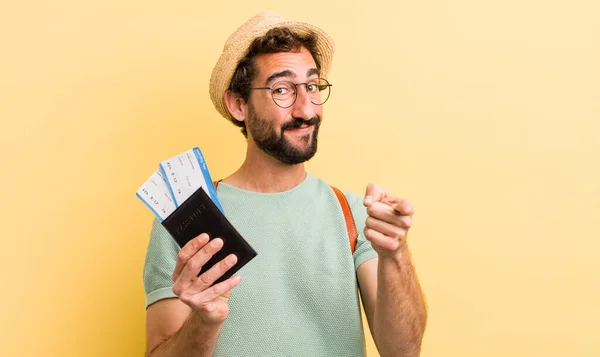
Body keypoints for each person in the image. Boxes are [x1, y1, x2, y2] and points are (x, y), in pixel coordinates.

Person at [142, 11, 427, 357]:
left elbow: (404, 351)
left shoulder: (351, 214)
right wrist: (205, 320)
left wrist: (395, 254)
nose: (306, 109)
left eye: (311, 86)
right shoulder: (186, 221)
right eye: (282, 90)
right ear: (239, 104)